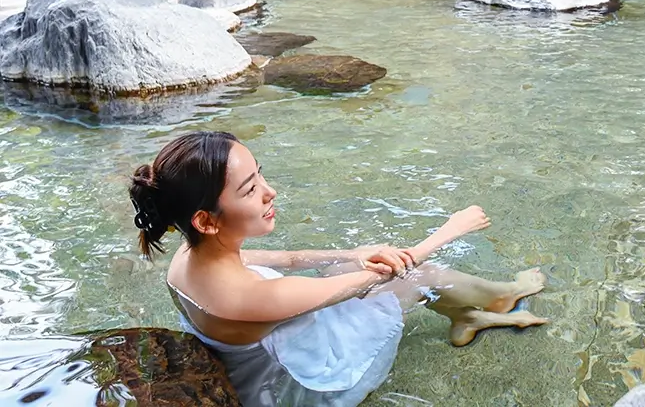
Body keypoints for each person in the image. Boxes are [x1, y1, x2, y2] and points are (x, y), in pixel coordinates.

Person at [128, 131, 547, 407]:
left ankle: (468, 315)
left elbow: (290, 259)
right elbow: (388, 274)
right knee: (415, 275)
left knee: (345, 272)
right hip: (306, 387)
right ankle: (500, 295)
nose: (270, 192)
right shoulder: (245, 297)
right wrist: (449, 230)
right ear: (207, 219)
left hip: (270, 353)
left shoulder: (189, 255)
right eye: (251, 189)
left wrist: (354, 252)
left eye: (261, 176)